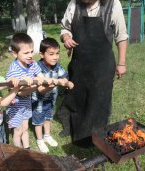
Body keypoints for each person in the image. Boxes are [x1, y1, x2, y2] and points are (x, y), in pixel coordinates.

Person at [60, 0, 128, 147]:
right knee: (79, 97)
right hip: (79, 63)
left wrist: (121, 63)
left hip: (102, 64)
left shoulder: (113, 4)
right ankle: (78, 133)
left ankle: (97, 137)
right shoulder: (74, 4)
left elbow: (121, 36)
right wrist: (66, 38)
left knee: (99, 100)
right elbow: (65, 28)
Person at [6, 33, 51, 149]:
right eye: (26, 53)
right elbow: (20, 92)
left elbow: (41, 76)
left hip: (26, 103)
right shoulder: (13, 69)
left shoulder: (33, 63)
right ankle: (18, 151)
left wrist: (43, 80)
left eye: (31, 51)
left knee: (25, 129)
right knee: (18, 131)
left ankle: (27, 149)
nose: (30, 55)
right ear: (15, 53)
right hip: (15, 105)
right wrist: (31, 84)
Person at [32, 38, 74, 153]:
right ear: (41, 54)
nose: (55, 57)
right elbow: (40, 89)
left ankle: (47, 135)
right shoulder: (37, 68)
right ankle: (40, 140)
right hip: (38, 102)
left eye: (57, 53)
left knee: (48, 118)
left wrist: (66, 82)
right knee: (38, 121)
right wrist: (55, 82)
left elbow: (64, 76)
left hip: (51, 100)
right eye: (51, 54)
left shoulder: (57, 66)